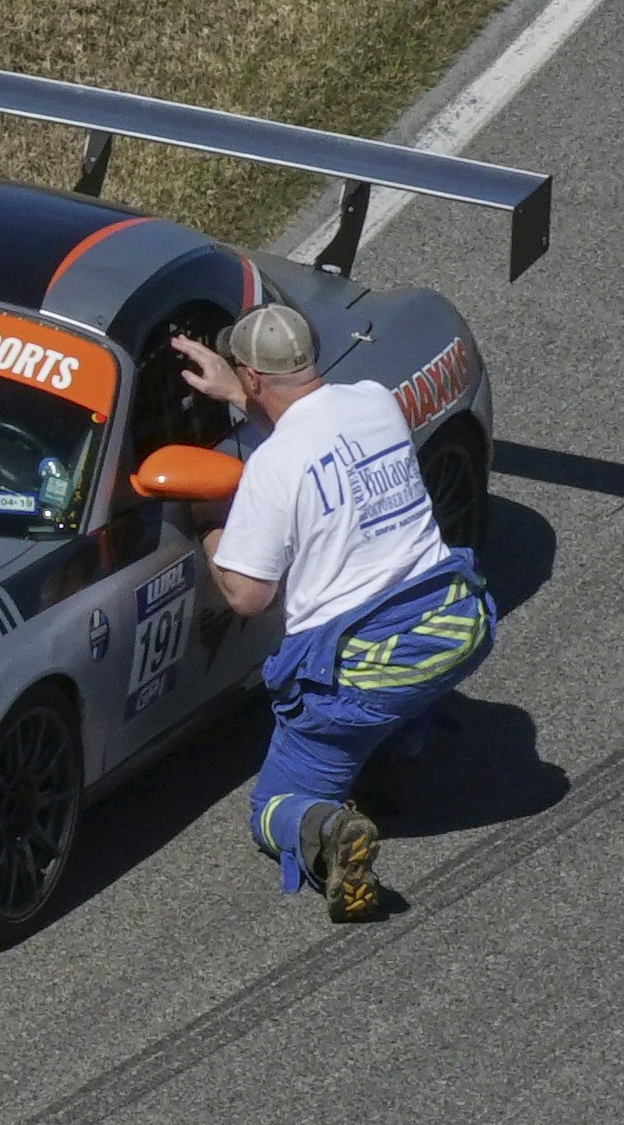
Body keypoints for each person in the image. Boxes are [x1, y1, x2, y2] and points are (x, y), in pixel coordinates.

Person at [175, 294, 487, 924]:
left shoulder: (271, 467)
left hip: (367, 665)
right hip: (457, 621)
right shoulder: (373, 400)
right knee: (408, 687)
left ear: (252, 375)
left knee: (272, 808)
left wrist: (210, 522)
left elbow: (247, 594)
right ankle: (397, 764)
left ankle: (327, 831)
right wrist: (241, 395)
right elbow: (317, 430)